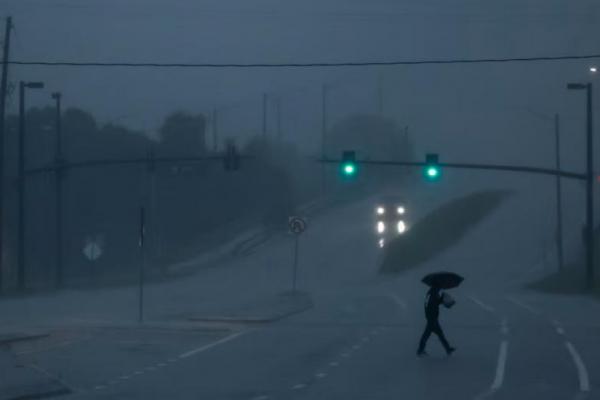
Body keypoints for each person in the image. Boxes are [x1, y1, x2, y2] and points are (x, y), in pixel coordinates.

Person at [417, 286, 455, 356]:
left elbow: (433, 303)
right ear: (436, 287)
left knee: (437, 334)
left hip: (432, 318)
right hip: (432, 318)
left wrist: (441, 300)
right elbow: (431, 305)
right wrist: (441, 300)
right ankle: (420, 350)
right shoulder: (433, 294)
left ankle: (448, 349)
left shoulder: (432, 293)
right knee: (428, 335)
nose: (439, 288)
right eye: (439, 287)